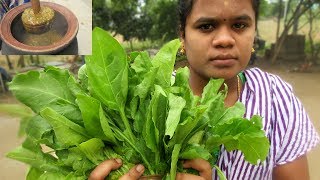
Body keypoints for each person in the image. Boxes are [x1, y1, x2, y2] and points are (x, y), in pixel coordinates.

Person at [90, 0, 320, 179]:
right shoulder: (145, 98)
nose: (224, 40)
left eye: (240, 25)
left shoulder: (275, 98)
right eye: (206, 26)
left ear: (254, 32)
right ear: (183, 34)